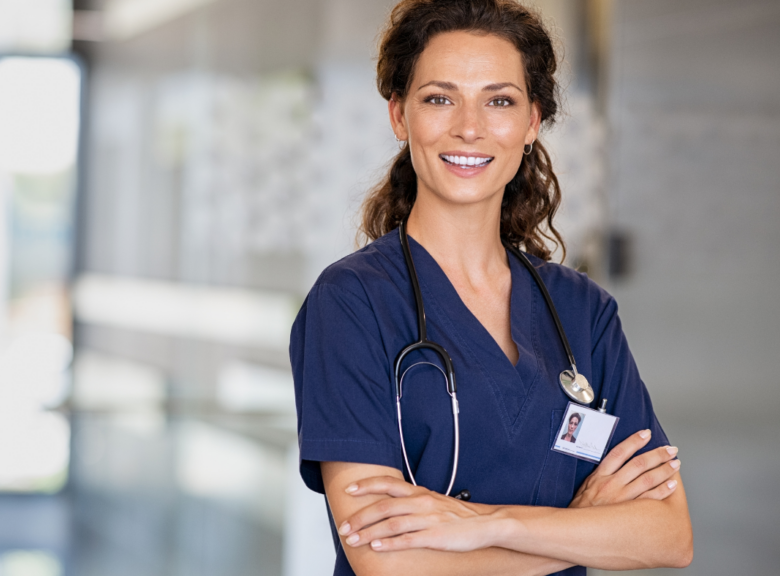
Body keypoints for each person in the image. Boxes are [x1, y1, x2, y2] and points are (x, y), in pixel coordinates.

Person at [289, 1, 693, 574]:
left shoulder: (583, 311)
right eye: (439, 98)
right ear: (400, 117)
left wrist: (488, 525)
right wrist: (575, 525)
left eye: (499, 100)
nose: (469, 126)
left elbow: (668, 535)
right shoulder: (352, 302)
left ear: (531, 122)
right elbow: (386, 562)